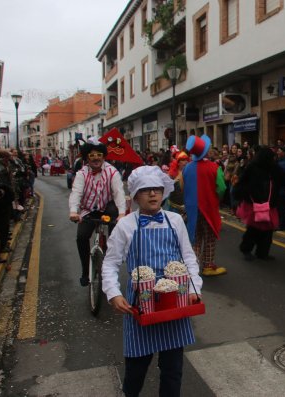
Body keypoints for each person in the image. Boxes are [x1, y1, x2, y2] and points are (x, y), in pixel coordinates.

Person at [101, 165, 202, 397]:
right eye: (146, 190)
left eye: (157, 189)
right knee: (136, 370)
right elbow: (110, 263)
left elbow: (188, 256)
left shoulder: (175, 221)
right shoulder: (126, 225)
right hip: (140, 306)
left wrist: (195, 287)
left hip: (174, 303)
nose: (153, 194)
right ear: (136, 195)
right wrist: (113, 293)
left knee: (172, 370)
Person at [69, 138, 126, 287]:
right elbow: (76, 193)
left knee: (115, 220)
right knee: (81, 236)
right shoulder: (82, 174)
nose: (96, 159)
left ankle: (115, 251)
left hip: (107, 208)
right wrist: (74, 212)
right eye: (92, 155)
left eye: (99, 155)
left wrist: (121, 214)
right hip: (88, 210)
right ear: (87, 157)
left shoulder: (112, 172)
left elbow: (119, 192)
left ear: (104, 157)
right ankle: (85, 272)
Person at [183, 135, 227, 277]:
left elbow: (183, 187)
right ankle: (208, 266)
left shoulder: (187, 168)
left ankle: (192, 267)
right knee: (209, 237)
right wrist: (216, 199)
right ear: (206, 151)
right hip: (208, 207)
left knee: (195, 238)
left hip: (191, 208)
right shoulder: (214, 167)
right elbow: (221, 188)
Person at [234, 147, 282, 261]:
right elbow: (243, 182)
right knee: (254, 229)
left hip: (268, 204)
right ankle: (247, 249)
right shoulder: (253, 167)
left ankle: (262, 252)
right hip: (254, 203)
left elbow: (283, 178)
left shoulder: (273, 168)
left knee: (267, 230)